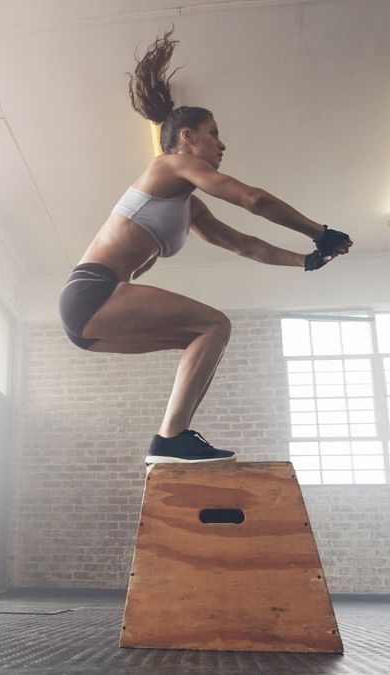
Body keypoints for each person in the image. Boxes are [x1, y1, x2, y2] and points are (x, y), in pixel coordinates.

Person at [58, 30, 352, 465]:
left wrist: (305, 260)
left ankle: (174, 439)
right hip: (93, 291)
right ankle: (170, 438)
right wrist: (318, 232)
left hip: (89, 323)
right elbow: (254, 200)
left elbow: (242, 244)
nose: (222, 144)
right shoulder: (169, 166)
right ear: (187, 137)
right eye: (214, 134)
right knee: (214, 324)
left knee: (205, 335)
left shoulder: (187, 206)